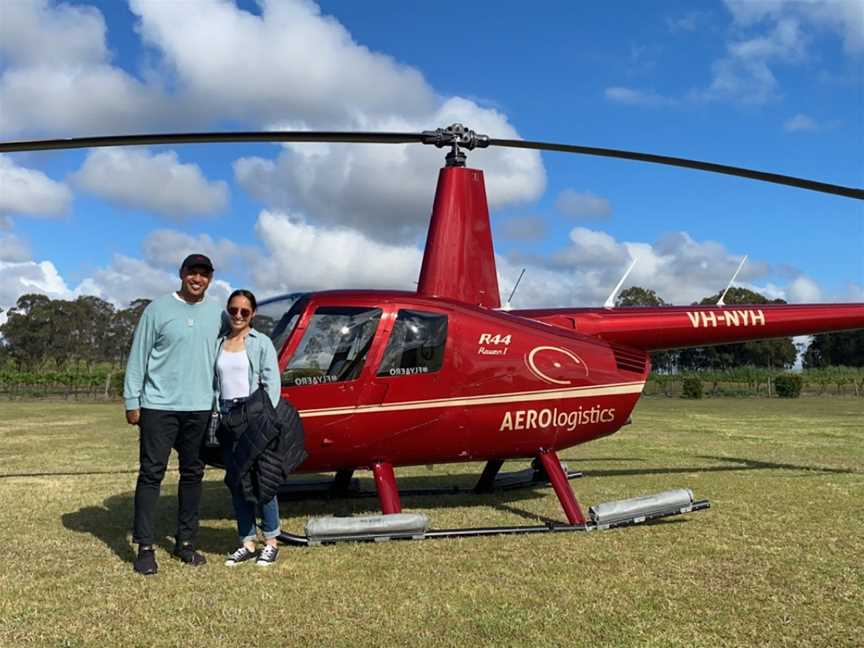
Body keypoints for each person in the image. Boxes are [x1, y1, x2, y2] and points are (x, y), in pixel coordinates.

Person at [124, 254, 224, 575]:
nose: (197, 279)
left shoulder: (217, 313)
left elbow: (235, 346)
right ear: (181, 274)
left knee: (193, 475)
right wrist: (132, 400)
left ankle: (185, 543)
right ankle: (145, 547)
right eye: (192, 272)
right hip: (158, 407)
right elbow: (138, 354)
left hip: (200, 408)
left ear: (210, 278)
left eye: (204, 274)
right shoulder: (157, 310)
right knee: (151, 474)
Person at [216, 289, 284, 567]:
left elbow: (272, 383)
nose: (238, 315)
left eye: (245, 311)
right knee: (237, 482)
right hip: (227, 416)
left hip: (254, 415)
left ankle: (271, 541)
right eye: (234, 310)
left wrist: (265, 419)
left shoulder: (261, 342)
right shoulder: (219, 342)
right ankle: (246, 541)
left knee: (262, 479)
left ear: (252, 314)